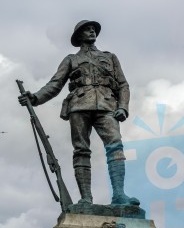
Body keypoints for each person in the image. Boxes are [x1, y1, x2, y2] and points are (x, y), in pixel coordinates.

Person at [18, 20, 139, 206]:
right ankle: (86, 198)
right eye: (87, 30)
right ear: (79, 36)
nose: (92, 32)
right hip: (79, 106)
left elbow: (123, 84)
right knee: (81, 151)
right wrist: (35, 97)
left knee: (115, 147)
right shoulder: (71, 60)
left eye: (93, 30)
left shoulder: (110, 57)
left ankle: (119, 195)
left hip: (107, 106)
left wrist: (123, 106)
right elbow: (55, 84)